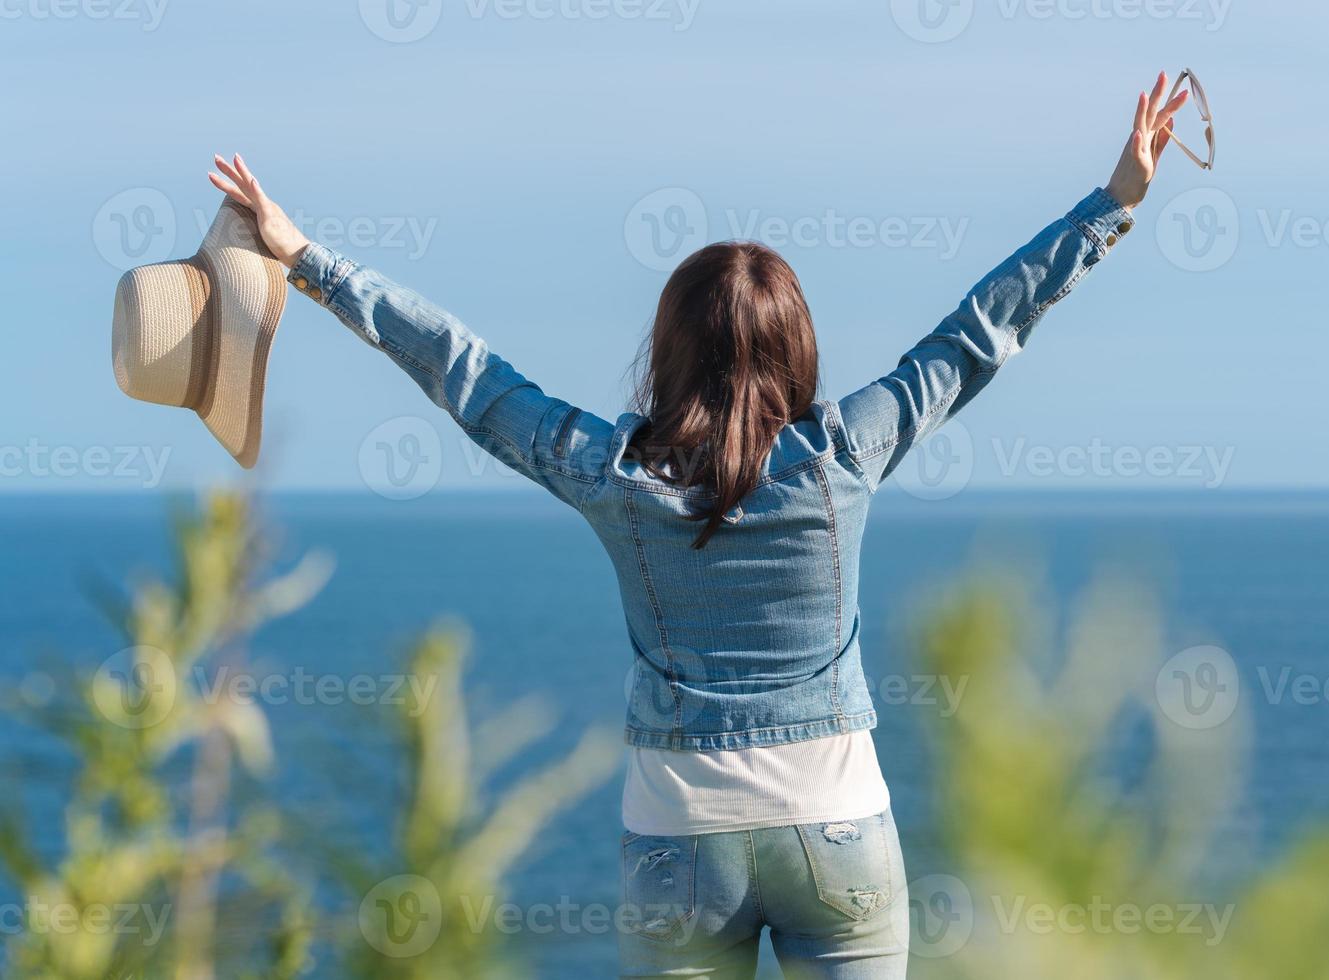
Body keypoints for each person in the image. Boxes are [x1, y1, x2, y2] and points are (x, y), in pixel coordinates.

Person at [209, 70, 1187, 979]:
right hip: (837, 826)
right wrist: (1111, 203)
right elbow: (977, 332)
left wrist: (307, 260)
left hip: (680, 837)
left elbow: (467, 374)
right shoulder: (848, 450)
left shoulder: (616, 472)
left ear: (667, 347)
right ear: (797, 347)